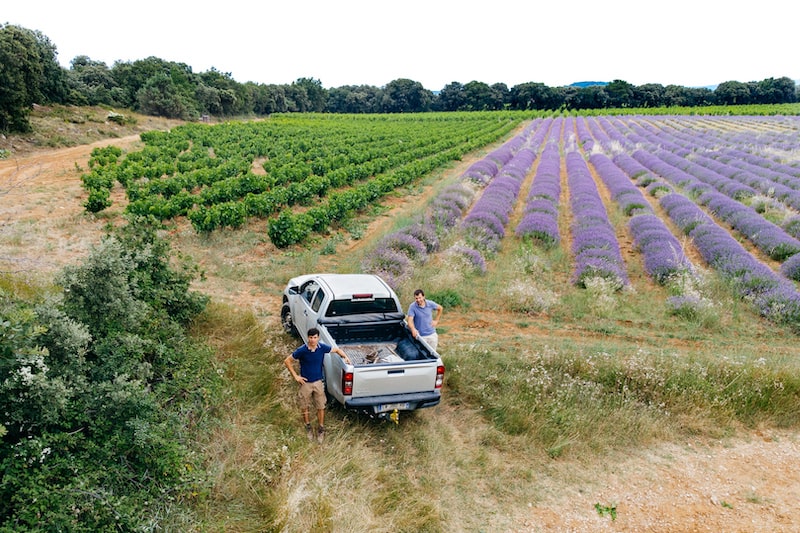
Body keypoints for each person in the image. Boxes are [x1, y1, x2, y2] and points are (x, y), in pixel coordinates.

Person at [284, 327, 350, 443]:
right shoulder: (302, 350)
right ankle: (308, 426)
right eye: (311, 337)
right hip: (305, 383)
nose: (313, 340)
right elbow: (287, 361)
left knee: (321, 406)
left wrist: (345, 357)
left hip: (318, 382)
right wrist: (296, 376)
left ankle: (321, 428)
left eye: (315, 338)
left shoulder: (322, 348)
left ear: (318, 338)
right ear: (308, 338)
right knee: (304, 405)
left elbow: (336, 350)